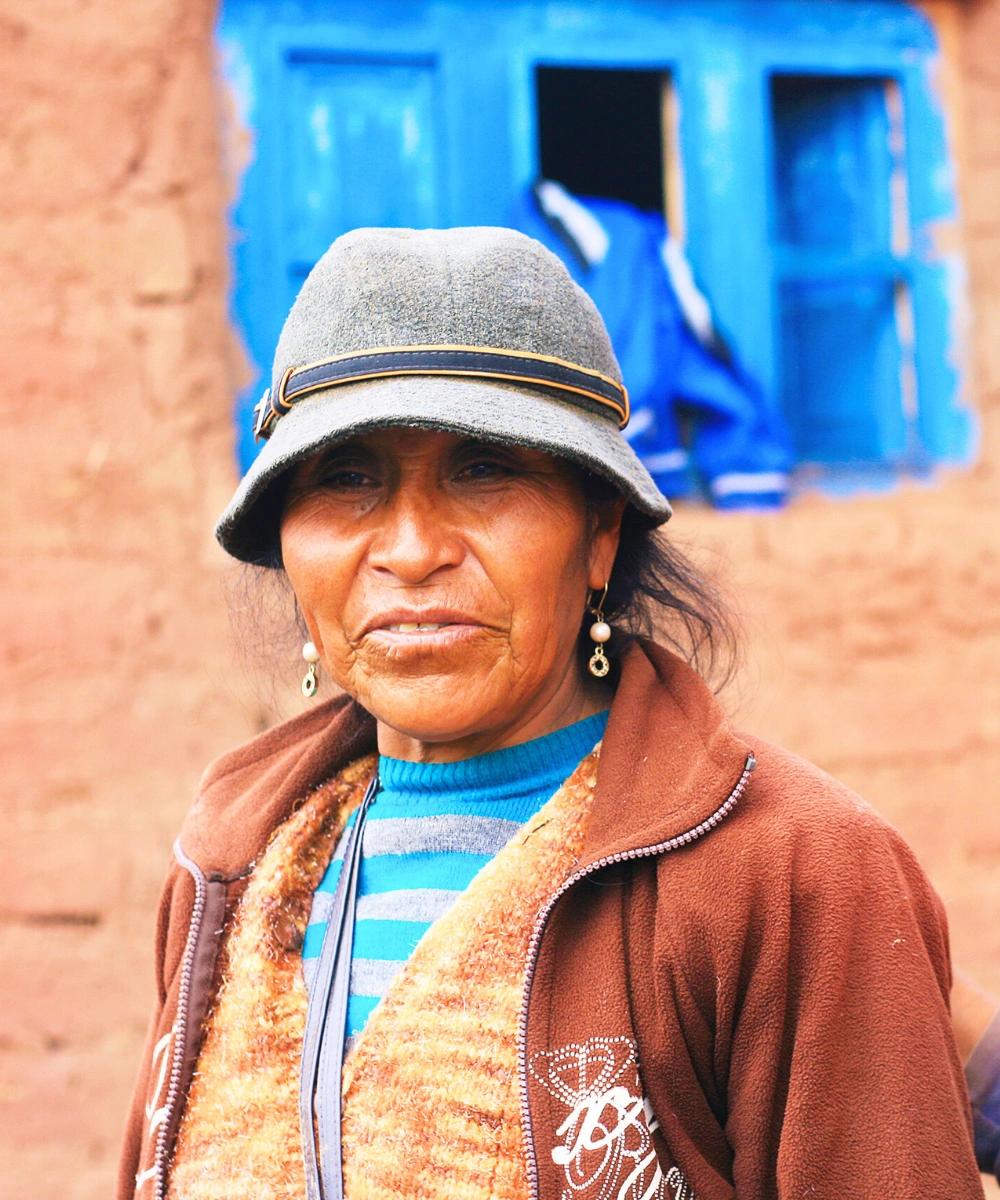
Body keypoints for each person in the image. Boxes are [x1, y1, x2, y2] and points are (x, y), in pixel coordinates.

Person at [118, 226, 983, 1200]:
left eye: (484, 470)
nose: (410, 550)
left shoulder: (788, 876)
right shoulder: (230, 862)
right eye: (346, 479)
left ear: (599, 535)